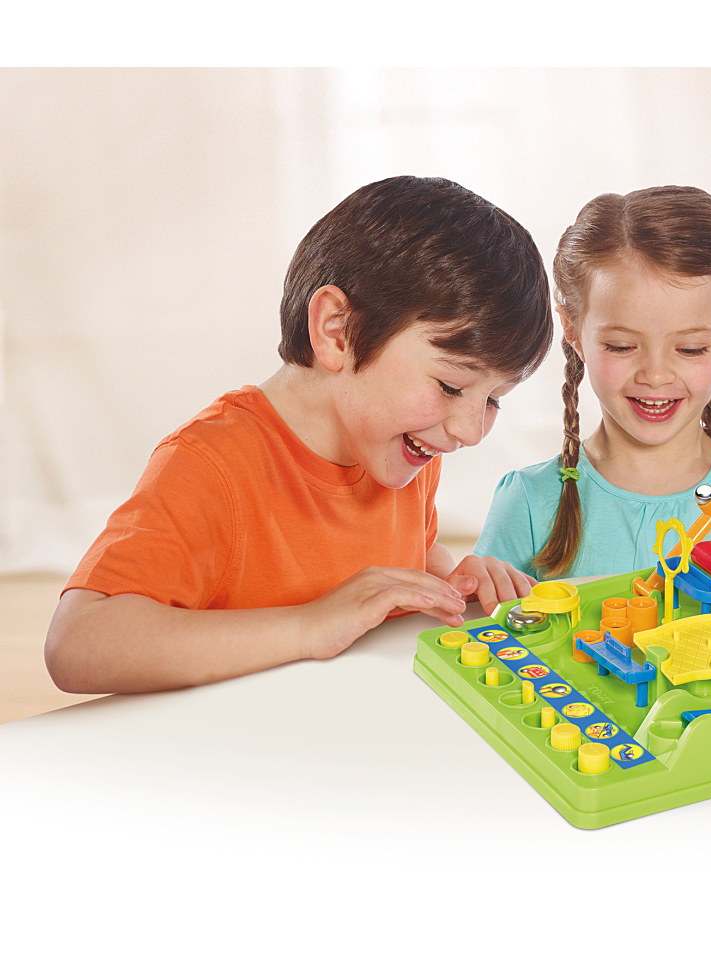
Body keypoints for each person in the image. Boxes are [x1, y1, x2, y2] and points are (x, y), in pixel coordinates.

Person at [45, 176, 552, 693]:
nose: (470, 430)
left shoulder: (404, 448)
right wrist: (310, 625)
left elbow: (406, 558)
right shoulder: (212, 465)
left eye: (493, 400)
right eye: (450, 386)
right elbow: (77, 644)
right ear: (338, 330)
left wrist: (450, 583)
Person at [474, 185, 711, 579]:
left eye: (690, 349)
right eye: (621, 346)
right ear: (572, 328)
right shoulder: (530, 504)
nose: (655, 375)